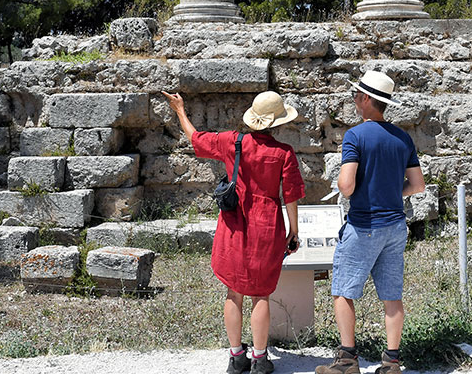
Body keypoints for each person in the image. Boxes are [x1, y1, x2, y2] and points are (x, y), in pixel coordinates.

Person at [162, 89, 305, 374]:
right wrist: (293, 231)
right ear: (278, 123)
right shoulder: (283, 153)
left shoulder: (232, 142)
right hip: (267, 227)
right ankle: (260, 360)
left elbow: (195, 139)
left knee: (234, 291)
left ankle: (236, 357)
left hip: (234, 223)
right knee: (260, 295)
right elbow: (290, 195)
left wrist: (180, 109)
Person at [316, 71, 426, 374]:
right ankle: (391, 362)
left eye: (355, 95)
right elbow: (418, 186)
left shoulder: (355, 135)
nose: (353, 100)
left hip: (364, 225)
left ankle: (347, 359)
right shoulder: (403, 137)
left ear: (365, 99)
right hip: (395, 226)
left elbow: (347, 185)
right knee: (392, 296)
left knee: (343, 290)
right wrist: (393, 193)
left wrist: (343, 180)